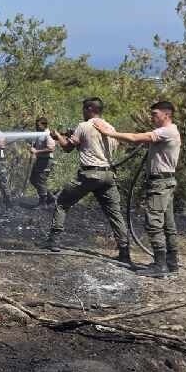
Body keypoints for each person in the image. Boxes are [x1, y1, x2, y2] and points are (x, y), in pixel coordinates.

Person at [94, 101, 182, 277]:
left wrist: (108, 133)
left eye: (155, 114)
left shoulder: (166, 131)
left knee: (154, 223)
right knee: (168, 225)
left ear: (167, 114)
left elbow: (135, 138)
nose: (152, 117)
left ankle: (160, 265)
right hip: (166, 182)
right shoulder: (170, 132)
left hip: (160, 184)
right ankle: (171, 263)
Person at [44, 97, 131, 263]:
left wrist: (57, 136)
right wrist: (74, 137)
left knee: (62, 203)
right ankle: (125, 252)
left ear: (90, 109)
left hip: (89, 175)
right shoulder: (110, 127)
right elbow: (94, 146)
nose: (82, 112)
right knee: (115, 213)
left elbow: (68, 148)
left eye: (84, 109)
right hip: (108, 176)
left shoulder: (84, 126)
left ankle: (53, 241)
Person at [28, 117, 57, 207]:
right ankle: (50, 197)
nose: (36, 127)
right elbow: (37, 145)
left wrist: (36, 151)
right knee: (33, 179)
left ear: (44, 125)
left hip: (46, 160)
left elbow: (51, 148)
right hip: (40, 160)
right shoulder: (39, 134)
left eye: (38, 125)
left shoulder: (48, 134)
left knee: (40, 181)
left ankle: (43, 203)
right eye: (36, 125)